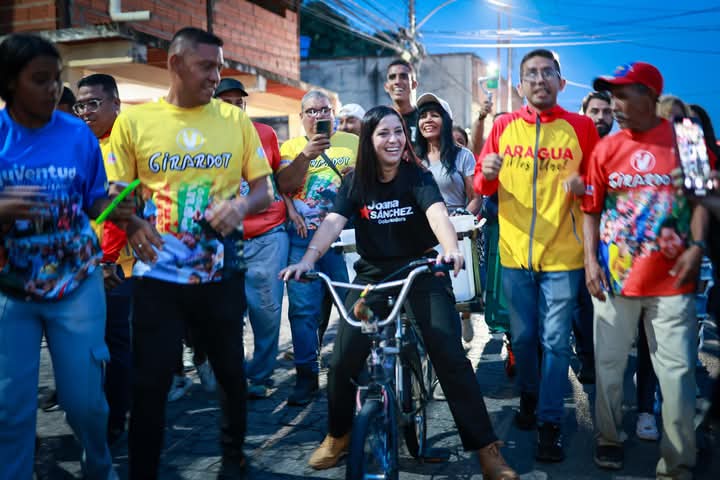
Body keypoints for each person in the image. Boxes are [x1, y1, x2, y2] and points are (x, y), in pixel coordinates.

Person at [280, 105, 519, 480]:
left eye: (397, 132)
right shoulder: (356, 182)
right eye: (383, 133)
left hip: (422, 272)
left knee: (450, 357)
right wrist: (308, 260)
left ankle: (486, 449)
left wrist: (451, 249)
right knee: (341, 361)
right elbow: (332, 222)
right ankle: (339, 434)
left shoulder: (417, 176)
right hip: (372, 278)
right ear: (369, 140)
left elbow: (437, 214)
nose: (393, 140)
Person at [106, 27, 273, 478]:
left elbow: (264, 190)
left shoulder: (234, 120)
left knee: (231, 373)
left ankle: (233, 457)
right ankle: (143, 469)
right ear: (175, 64)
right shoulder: (135, 123)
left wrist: (240, 206)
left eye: (219, 66)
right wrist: (131, 222)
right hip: (157, 276)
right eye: (206, 66)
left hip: (220, 272)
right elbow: (116, 192)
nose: (215, 76)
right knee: (150, 382)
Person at [0, 33, 133, 479]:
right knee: (9, 407)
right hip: (10, 289)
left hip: (77, 284)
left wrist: (119, 204)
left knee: (85, 403)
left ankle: (99, 465)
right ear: (10, 82)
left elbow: (94, 202)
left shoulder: (77, 134)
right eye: (39, 79)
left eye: (56, 79)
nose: (53, 89)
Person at [583, 62, 709, 478]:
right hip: (615, 281)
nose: (615, 104)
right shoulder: (605, 149)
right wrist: (590, 262)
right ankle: (608, 437)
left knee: (676, 376)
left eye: (623, 95)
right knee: (608, 367)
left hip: (672, 282)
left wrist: (697, 245)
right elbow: (591, 210)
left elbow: (701, 200)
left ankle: (676, 464)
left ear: (651, 95)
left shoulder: (687, 140)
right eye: (611, 96)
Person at [475, 49, 599, 462]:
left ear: (561, 83)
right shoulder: (503, 126)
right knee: (525, 340)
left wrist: (585, 187)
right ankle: (529, 394)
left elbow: (599, 186)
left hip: (564, 257)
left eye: (548, 72)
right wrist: (487, 174)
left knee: (555, 342)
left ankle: (550, 423)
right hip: (514, 257)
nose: (540, 79)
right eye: (531, 73)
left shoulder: (581, 127)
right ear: (520, 85)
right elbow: (482, 185)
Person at [276, 90, 357, 406]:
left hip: (344, 241)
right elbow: (284, 185)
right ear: (301, 117)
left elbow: (371, 183)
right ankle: (306, 376)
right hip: (302, 239)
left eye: (325, 110)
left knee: (352, 306)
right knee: (302, 310)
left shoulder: (352, 143)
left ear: (334, 114)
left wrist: (356, 177)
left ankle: (354, 371)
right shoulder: (290, 147)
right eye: (311, 111)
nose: (319, 115)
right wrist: (306, 155)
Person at [214, 77, 289, 399]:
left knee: (267, 311)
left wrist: (292, 209)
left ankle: (260, 375)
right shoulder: (202, 138)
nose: (234, 108)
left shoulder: (265, 133)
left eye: (239, 103)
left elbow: (278, 180)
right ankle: (231, 374)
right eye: (226, 103)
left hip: (268, 234)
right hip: (223, 239)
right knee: (227, 314)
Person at [75, 72, 134, 443]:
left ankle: (114, 418)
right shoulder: (78, 144)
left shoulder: (121, 146)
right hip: (76, 266)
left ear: (116, 104)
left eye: (93, 103)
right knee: (83, 345)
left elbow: (118, 210)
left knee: (114, 344)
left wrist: (105, 261)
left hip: (114, 268)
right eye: (80, 105)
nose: (85, 112)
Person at [415, 92, 481, 350]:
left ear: (446, 121)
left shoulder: (462, 156)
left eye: (434, 115)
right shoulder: (413, 158)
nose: (428, 120)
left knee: (453, 292)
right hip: (421, 233)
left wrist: (462, 217)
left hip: (455, 229)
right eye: (423, 116)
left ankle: (460, 323)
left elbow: (475, 198)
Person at [384, 59, 421, 149]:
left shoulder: (423, 119)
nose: (397, 82)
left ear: (414, 84)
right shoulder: (380, 120)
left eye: (403, 76)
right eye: (392, 77)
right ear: (386, 87)